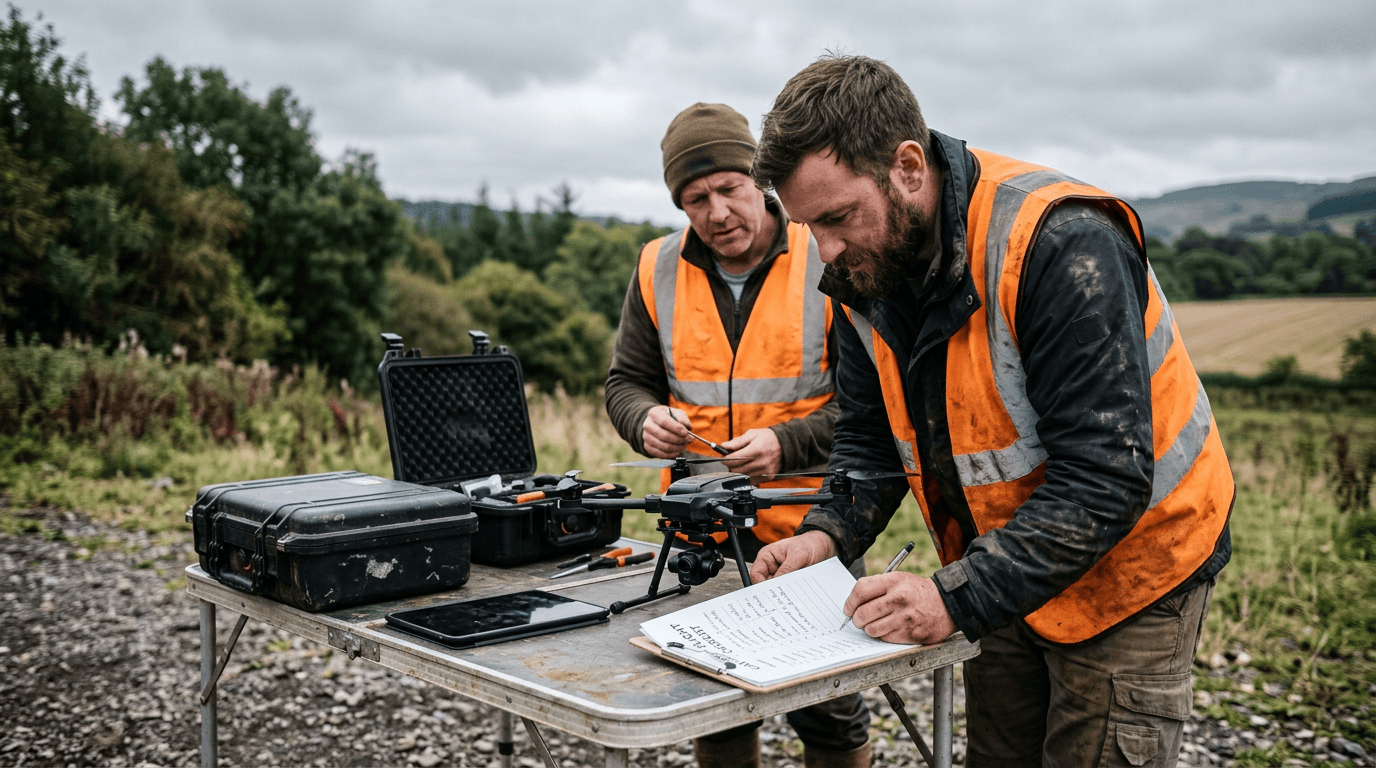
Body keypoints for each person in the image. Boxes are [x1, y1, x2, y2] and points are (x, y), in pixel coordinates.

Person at [748, 55, 1233, 767]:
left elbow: (1105, 478)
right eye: (806, 226)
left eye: (838, 217)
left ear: (908, 167)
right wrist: (826, 534)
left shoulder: (1060, 244)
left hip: (1135, 566)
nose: (826, 250)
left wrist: (954, 598)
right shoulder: (865, 267)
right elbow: (871, 435)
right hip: (1003, 560)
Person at [604, 102, 872, 768]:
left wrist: (788, 444)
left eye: (729, 188)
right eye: (696, 199)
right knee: (713, 704)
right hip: (702, 534)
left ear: (760, 180)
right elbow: (625, 384)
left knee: (830, 712)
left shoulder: (827, 252)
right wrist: (644, 420)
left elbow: (871, 407)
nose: (717, 211)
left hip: (811, 526)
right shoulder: (656, 268)